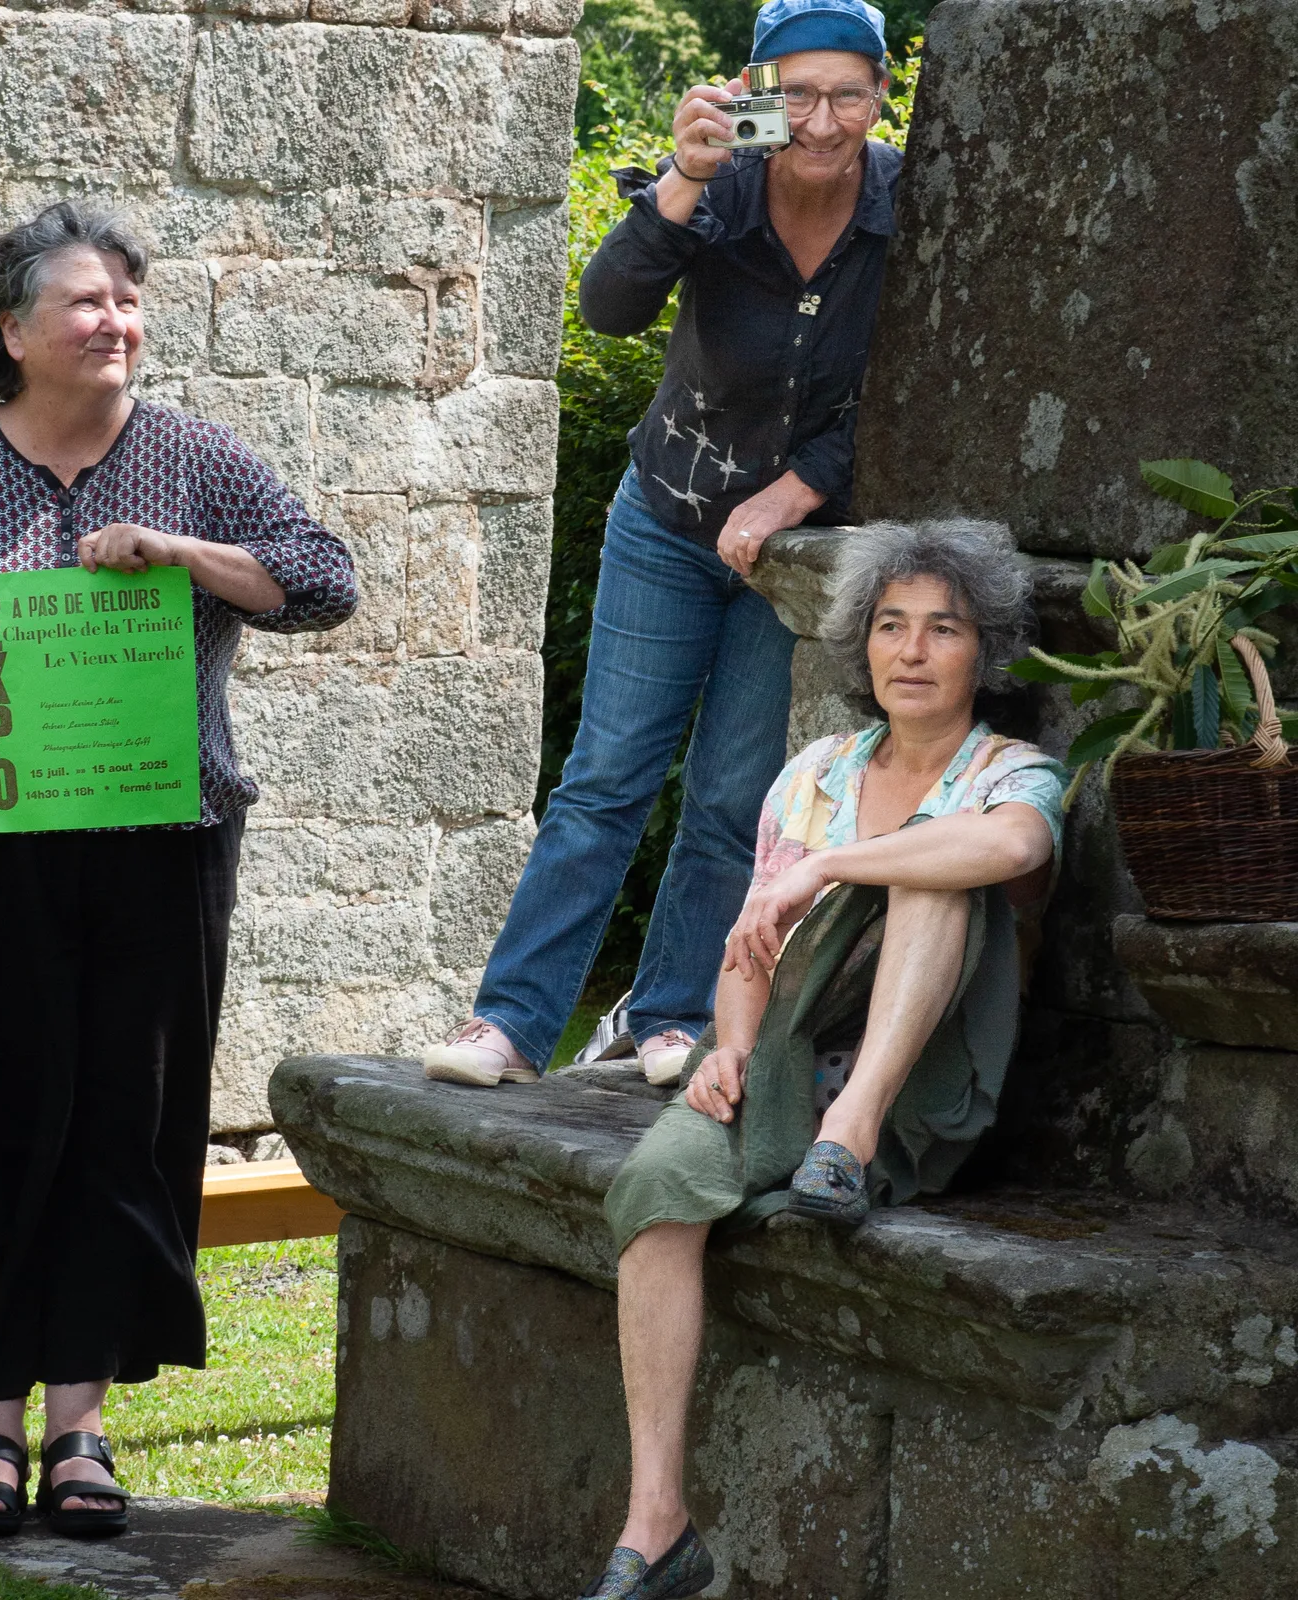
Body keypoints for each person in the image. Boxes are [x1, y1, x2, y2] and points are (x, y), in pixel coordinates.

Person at [0, 202, 356, 1537]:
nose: (114, 320)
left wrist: (178, 554)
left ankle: (81, 1429)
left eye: (126, 297)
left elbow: (324, 579)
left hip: (155, 859)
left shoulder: (190, 457)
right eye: (84, 301)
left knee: (126, 1124)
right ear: (12, 330)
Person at [580, 520, 1067, 1600]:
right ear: (862, 645)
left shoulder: (1013, 772)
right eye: (891, 625)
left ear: (982, 654)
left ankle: (844, 1140)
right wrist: (733, 1049)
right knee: (657, 1187)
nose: (911, 649)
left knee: (932, 869)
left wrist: (832, 866)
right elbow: (750, 944)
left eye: (943, 629)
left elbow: (1012, 850)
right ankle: (656, 1525)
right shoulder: (816, 771)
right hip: (789, 1049)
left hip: (919, 1086)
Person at [423, 0, 902, 1090]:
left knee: (735, 797)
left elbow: (908, 393)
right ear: (754, 90)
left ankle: (673, 1013)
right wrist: (682, 180)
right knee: (605, 781)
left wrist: (793, 493)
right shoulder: (719, 182)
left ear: (879, 94)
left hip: (794, 553)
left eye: (844, 93)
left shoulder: (907, 209)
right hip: (669, 518)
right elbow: (606, 307)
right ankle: (507, 1023)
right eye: (795, 92)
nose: (819, 119)